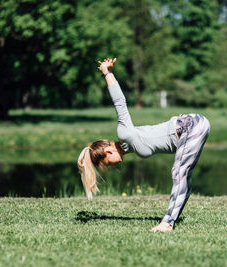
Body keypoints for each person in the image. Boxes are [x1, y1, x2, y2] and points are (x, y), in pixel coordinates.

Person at [77, 58, 210, 232]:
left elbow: (120, 102)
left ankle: (167, 223)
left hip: (190, 126)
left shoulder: (124, 133)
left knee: (179, 172)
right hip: (193, 125)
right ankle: (172, 218)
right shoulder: (127, 145)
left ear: (109, 151)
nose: (113, 165)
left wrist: (107, 73)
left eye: (108, 163)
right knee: (184, 175)